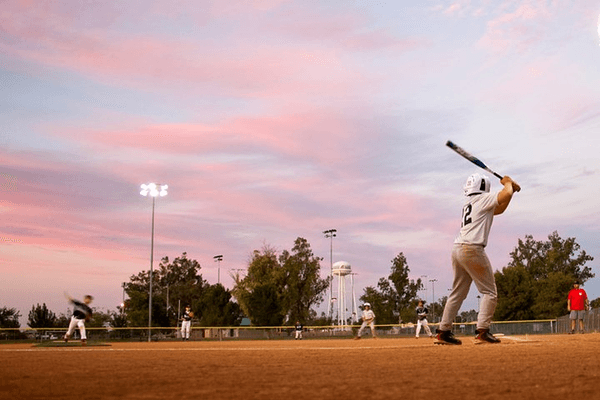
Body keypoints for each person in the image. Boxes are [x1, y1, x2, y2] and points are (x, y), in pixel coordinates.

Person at [435, 173, 520, 345]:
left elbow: (500, 208)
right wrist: (508, 184)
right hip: (472, 249)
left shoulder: (471, 203)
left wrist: (511, 191)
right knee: (489, 292)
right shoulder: (483, 198)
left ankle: (443, 331)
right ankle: (482, 331)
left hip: (458, 248)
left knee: (457, 293)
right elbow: (505, 194)